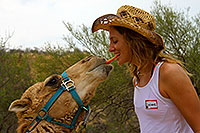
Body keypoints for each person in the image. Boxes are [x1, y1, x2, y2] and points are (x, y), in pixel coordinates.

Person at [91, 5, 200, 133]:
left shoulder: (169, 73)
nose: (110, 48)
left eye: (114, 41)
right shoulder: (137, 79)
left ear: (133, 41)